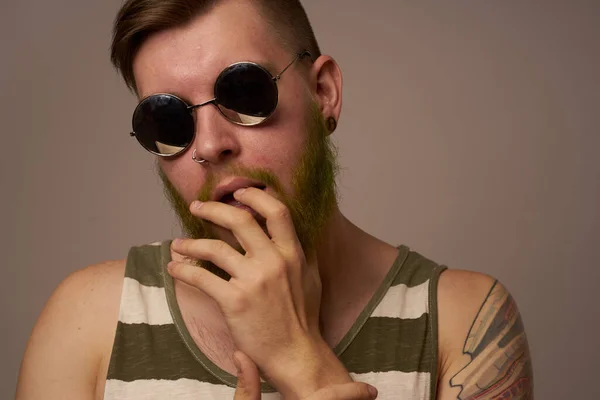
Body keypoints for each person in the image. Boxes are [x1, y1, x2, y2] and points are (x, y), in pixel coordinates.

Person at [16, 0, 533, 399]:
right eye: (169, 121)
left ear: (324, 92)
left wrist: (300, 361)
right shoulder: (89, 319)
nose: (211, 143)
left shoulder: (464, 320)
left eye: (243, 92)